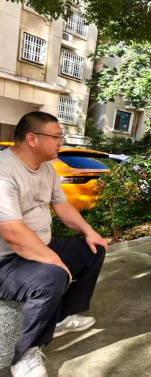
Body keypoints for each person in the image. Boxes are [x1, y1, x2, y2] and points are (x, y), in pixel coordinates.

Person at [0, 112, 108, 377]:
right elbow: (12, 233)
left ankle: (61, 318)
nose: (62, 142)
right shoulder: (4, 171)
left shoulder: (46, 168)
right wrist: (54, 260)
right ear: (32, 139)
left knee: (93, 249)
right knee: (53, 276)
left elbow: (62, 207)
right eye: (57, 137)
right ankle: (25, 356)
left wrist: (89, 232)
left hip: (39, 246)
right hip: (6, 259)